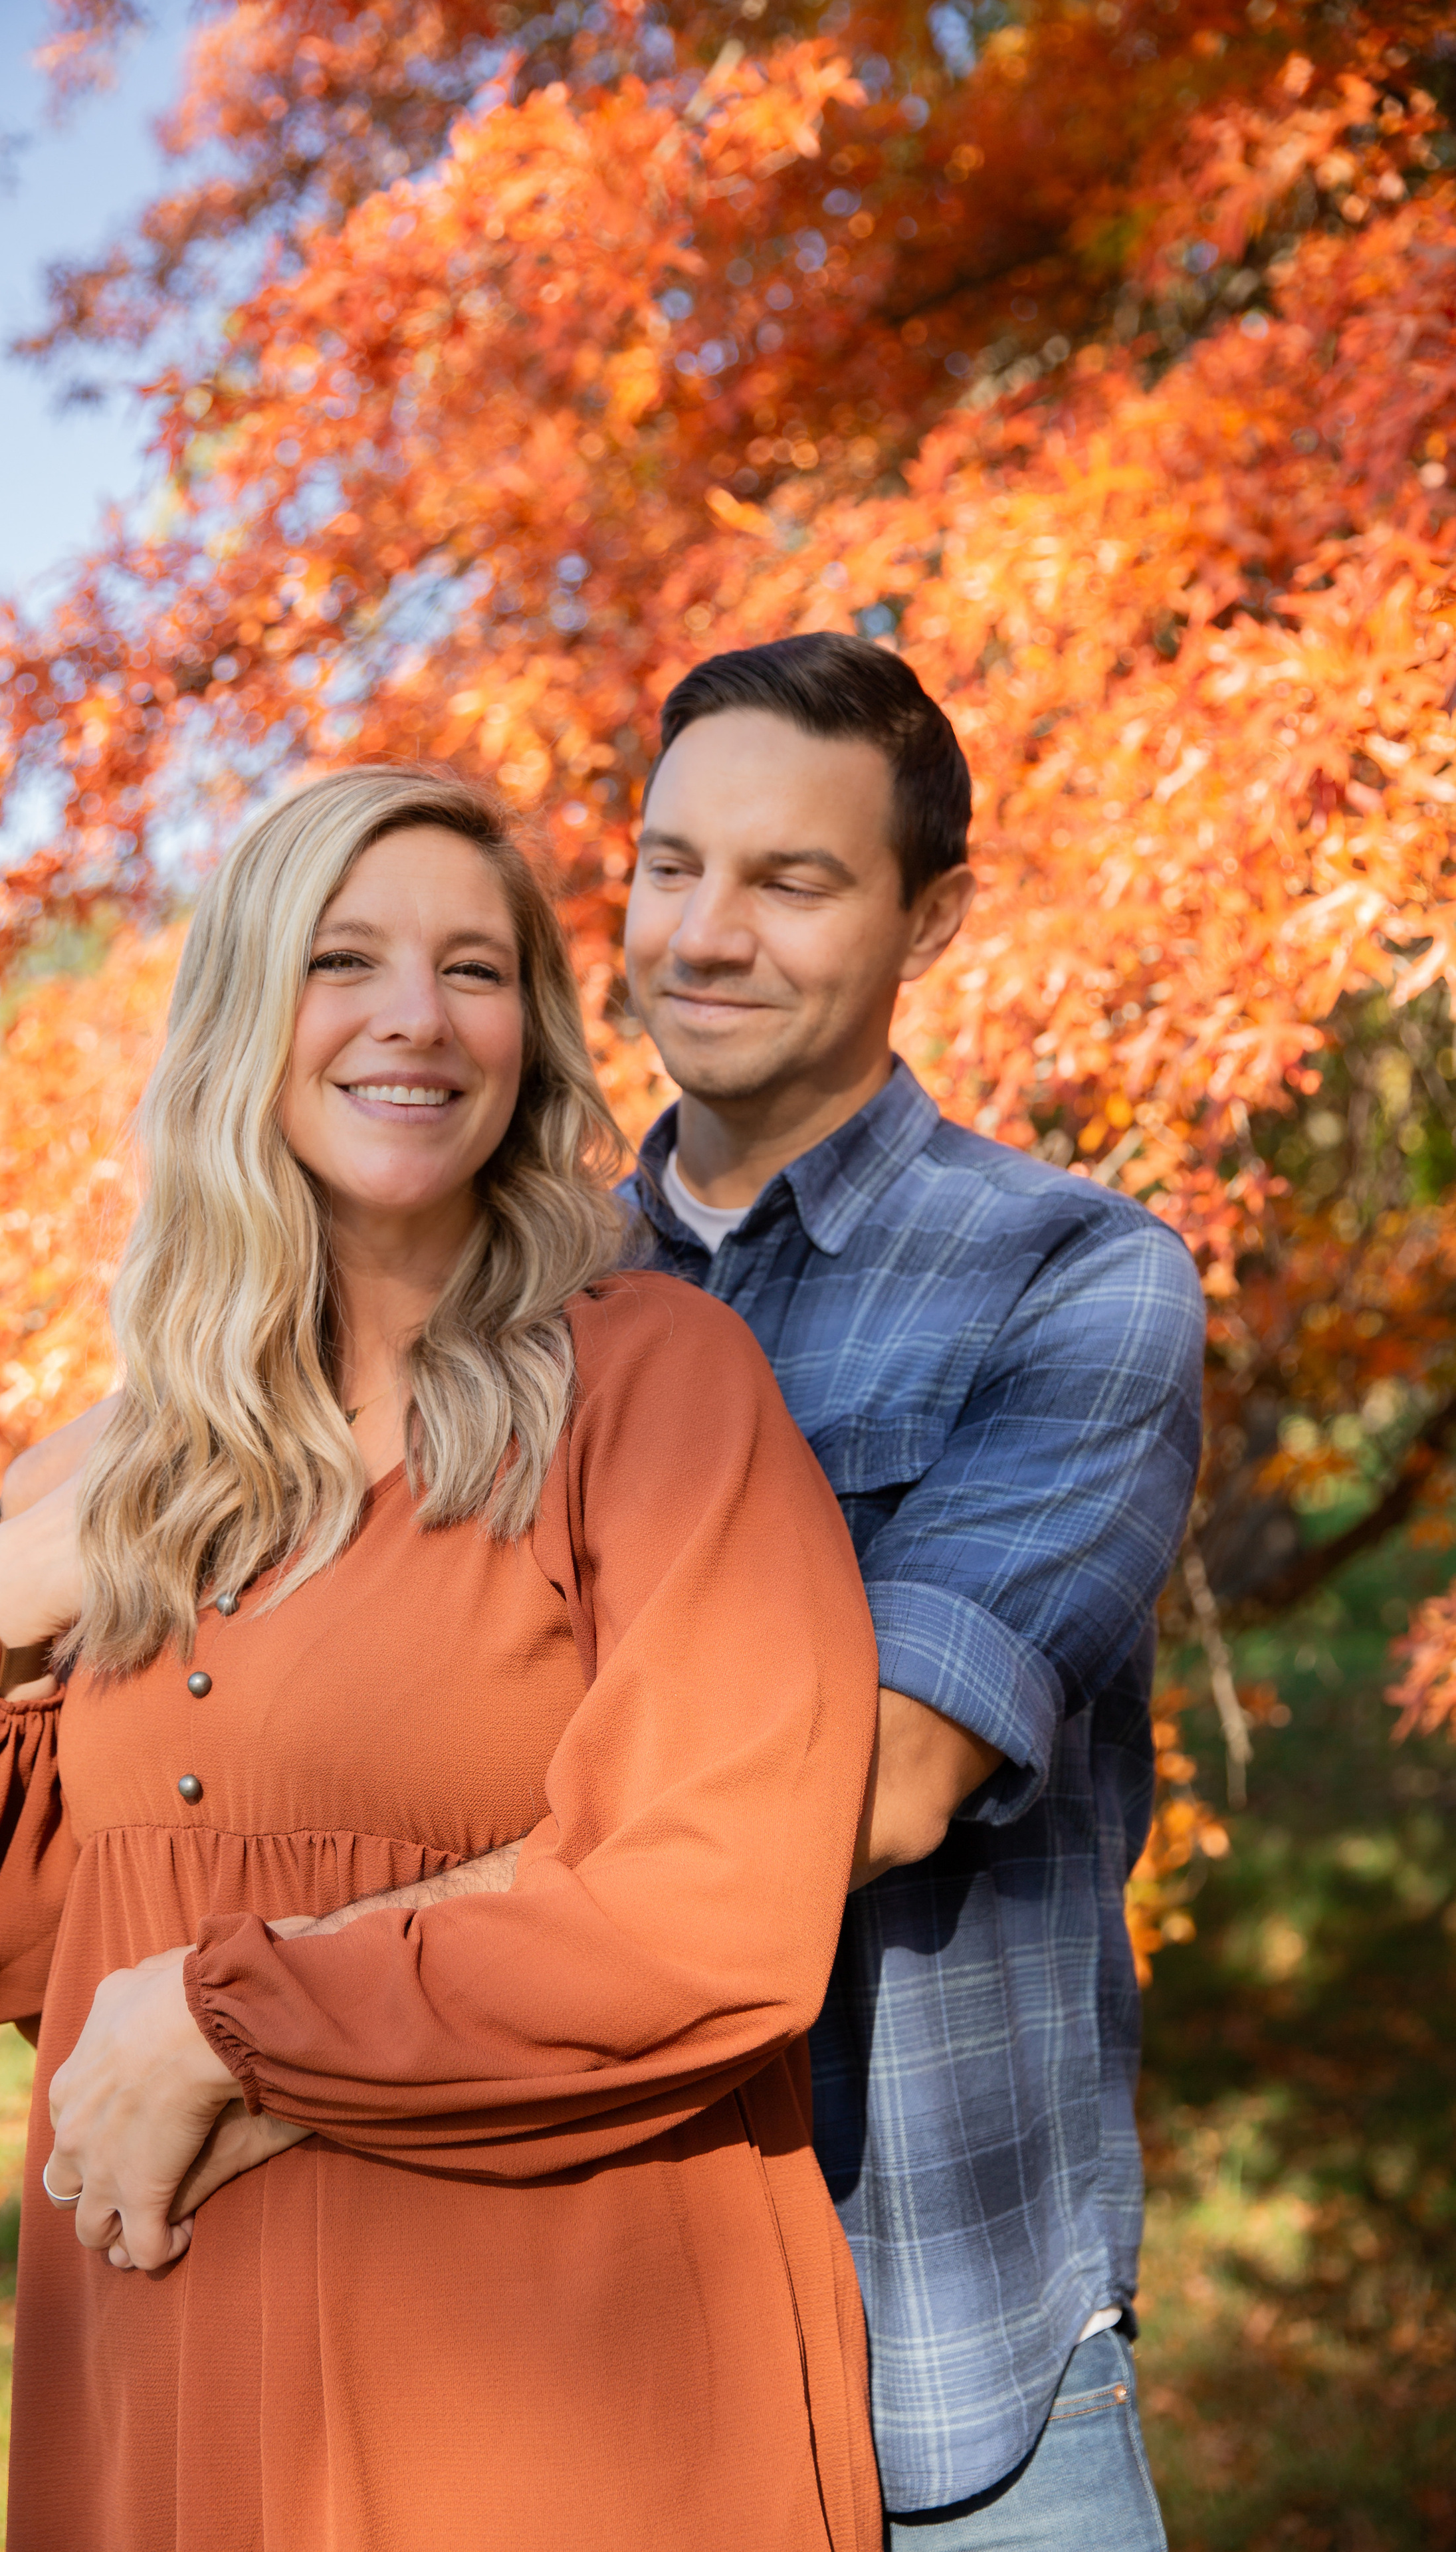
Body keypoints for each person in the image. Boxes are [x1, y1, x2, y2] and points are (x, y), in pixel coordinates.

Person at [0, 767, 887, 2552]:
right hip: (182, 2369)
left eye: (478, 970)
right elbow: (6, 1955)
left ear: (534, 1035)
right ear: (243, 1016)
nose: (415, 1021)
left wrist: (239, 2024)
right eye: (343, 959)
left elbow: (717, 1907)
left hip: (545, 2386)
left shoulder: (653, 1388)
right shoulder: (116, 1465)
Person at [618, 633, 1206, 2546]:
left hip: (947, 2378)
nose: (705, 933)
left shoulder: (1077, 1281)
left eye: (791, 881)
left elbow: (874, 1784)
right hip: (562, 2337)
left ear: (929, 921)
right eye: (669, 864)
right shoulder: (505, 1299)